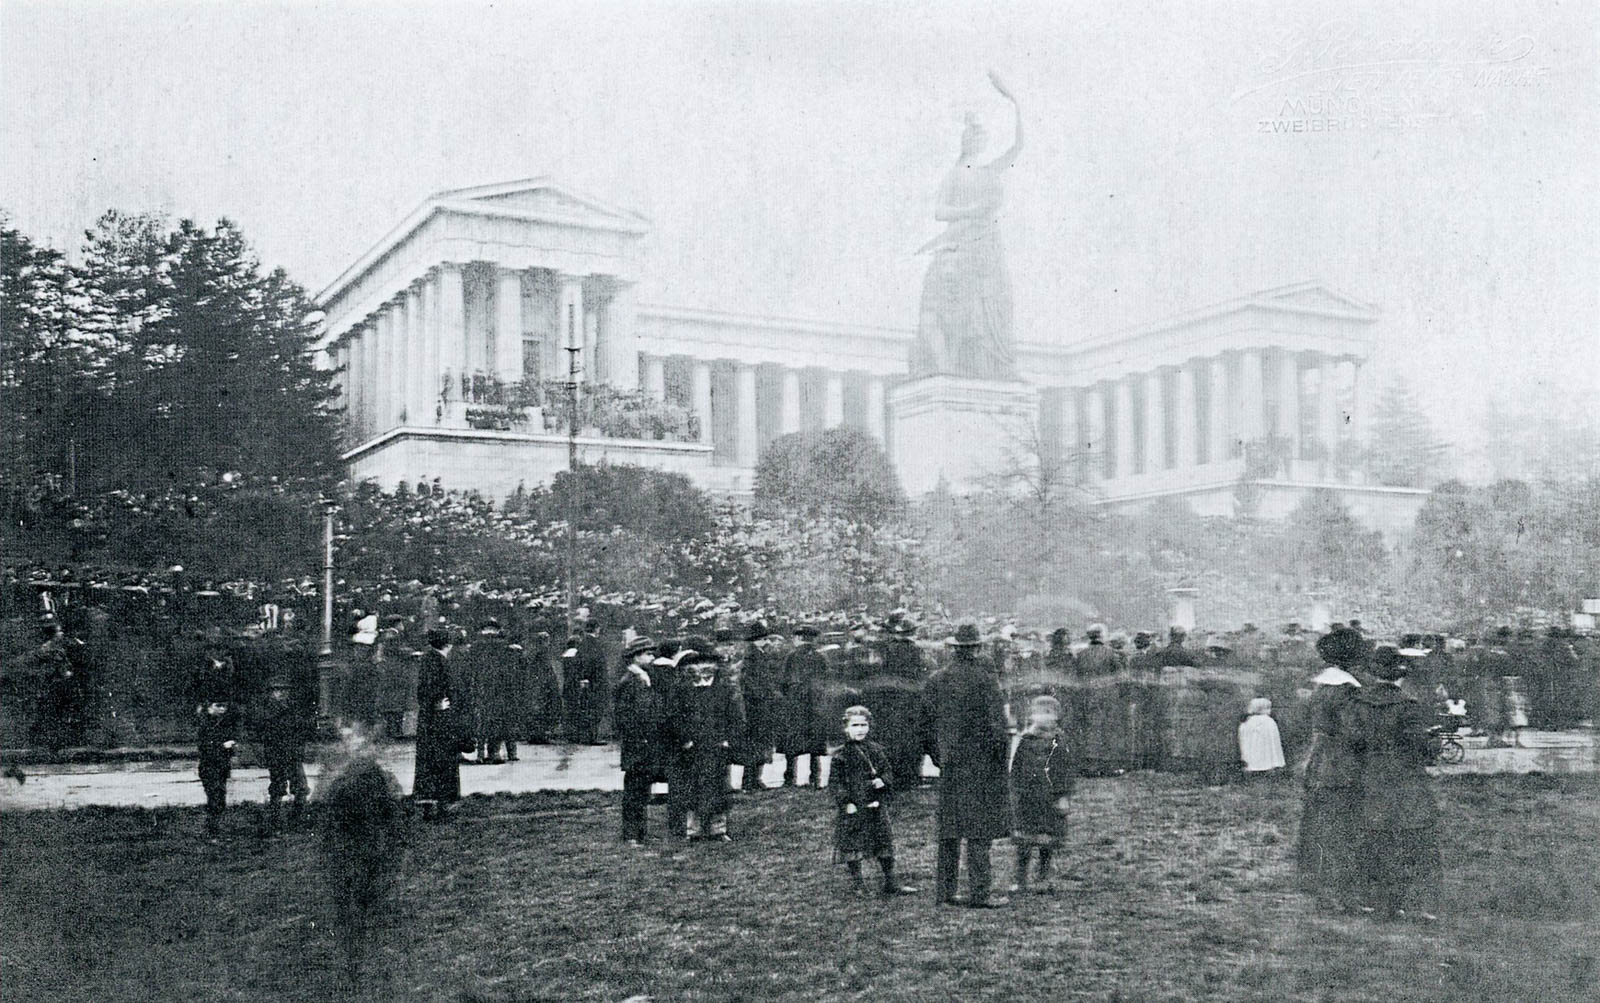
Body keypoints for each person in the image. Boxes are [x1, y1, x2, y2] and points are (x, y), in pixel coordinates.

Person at [909, 70, 1023, 380]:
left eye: (980, 137)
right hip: (962, 243)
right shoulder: (956, 174)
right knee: (964, 305)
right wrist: (972, 210)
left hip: (988, 245)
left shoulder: (988, 171)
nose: (977, 141)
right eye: (972, 137)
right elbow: (939, 211)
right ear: (965, 141)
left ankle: (993, 364)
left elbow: (1017, 148)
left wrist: (1016, 107)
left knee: (995, 302)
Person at [921, 623, 1013, 908]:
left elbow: (924, 723)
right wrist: (1001, 761)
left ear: (954, 649)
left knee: (950, 828)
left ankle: (945, 892)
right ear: (977, 648)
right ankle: (980, 894)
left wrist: (937, 755)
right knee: (978, 829)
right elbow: (998, 726)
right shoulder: (985, 680)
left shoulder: (937, 679)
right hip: (981, 763)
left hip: (950, 763)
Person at [1351, 644, 1443, 921]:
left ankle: (1374, 901)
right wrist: (1434, 741)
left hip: (1370, 779)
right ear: (1400, 673)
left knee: (1375, 839)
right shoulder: (1407, 706)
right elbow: (1422, 747)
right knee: (1413, 840)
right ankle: (1413, 904)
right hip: (1405, 780)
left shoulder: (1357, 703)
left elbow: (1353, 742)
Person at [1296, 626, 1367, 912]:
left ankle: (1319, 884)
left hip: (1319, 758)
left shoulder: (1320, 685)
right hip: (1342, 762)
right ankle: (1339, 890)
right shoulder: (1347, 690)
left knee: (1320, 821)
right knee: (1343, 824)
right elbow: (1354, 732)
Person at [832, 706, 916, 897]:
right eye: (855, 725)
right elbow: (836, 784)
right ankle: (858, 884)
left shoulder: (876, 750)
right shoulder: (841, 756)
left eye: (864, 725)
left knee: (883, 842)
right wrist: (846, 802)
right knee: (854, 845)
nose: (860, 729)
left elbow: (887, 771)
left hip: (876, 804)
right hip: (855, 806)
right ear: (846, 728)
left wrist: (883, 781)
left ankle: (890, 881)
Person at [663, 646, 743, 842]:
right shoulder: (682, 689)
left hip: (717, 745)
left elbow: (736, 717)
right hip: (693, 746)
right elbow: (673, 716)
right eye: (698, 664)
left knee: (718, 786)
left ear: (715, 666)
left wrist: (727, 740)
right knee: (692, 786)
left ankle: (718, 829)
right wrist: (685, 739)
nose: (703, 668)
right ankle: (693, 830)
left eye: (708, 663)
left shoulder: (725, 688)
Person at [1009, 695, 1075, 895]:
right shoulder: (1025, 739)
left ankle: (1043, 877)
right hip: (1027, 798)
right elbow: (1016, 768)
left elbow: (1066, 770)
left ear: (1056, 717)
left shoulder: (1060, 741)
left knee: (1047, 840)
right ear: (1032, 716)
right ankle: (1021, 879)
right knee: (1024, 842)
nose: (1044, 718)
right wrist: (1015, 791)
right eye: (1039, 713)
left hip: (1049, 798)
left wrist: (1063, 795)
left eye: (1049, 713)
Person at [613, 637, 663, 846]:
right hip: (637, 743)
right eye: (648, 654)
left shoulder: (643, 677)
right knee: (634, 789)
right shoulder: (630, 681)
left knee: (642, 789)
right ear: (636, 656)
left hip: (644, 742)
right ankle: (631, 833)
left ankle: (639, 832)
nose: (652, 658)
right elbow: (626, 716)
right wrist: (640, 736)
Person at [413, 627, 462, 822]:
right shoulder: (440, 662)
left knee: (427, 761)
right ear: (448, 644)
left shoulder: (427, 659)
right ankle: (444, 803)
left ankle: (428, 804)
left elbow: (422, 690)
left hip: (428, 719)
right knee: (443, 759)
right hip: (441, 718)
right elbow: (445, 688)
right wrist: (439, 702)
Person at [254, 676, 312, 833]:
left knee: (301, 788)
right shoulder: (266, 709)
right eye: (277, 690)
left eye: (284, 690)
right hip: (276, 755)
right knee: (278, 788)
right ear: (271, 693)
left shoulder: (293, 708)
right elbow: (262, 728)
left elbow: (302, 729)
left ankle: (297, 821)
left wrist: (300, 747)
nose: (281, 693)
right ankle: (275, 822)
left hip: (293, 754)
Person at [778, 624, 828, 788]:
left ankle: (789, 778)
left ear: (799, 638)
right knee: (815, 743)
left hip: (795, 704)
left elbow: (783, 681)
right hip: (814, 704)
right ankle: (815, 778)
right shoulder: (820, 657)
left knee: (792, 742)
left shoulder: (791, 657)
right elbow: (826, 680)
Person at [736, 621, 780, 792]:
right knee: (755, 743)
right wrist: (763, 697)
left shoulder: (758, 654)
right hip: (756, 707)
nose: (766, 641)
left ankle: (755, 779)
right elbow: (747, 682)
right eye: (763, 638)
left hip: (762, 705)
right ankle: (749, 781)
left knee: (761, 743)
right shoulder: (751, 657)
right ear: (757, 639)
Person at [196, 695, 240, 835]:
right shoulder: (205, 724)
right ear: (209, 707)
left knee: (220, 798)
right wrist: (223, 746)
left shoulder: (221, 722)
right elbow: (204, 747)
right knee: (214, 799)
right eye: (218, 706)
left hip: (221, 766)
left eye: (224, 706)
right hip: (209, 767)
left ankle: (215, 829)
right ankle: (212, 831)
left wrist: (232, 749)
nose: (222, 709)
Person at [1237, 697, 1286, 777]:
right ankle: (1267, 767)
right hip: (1265, 746)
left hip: (1252, 746)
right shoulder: (1268, 721)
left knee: (1253, 754)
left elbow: (1243, 734)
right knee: (1264, 754)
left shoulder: (1248, 721)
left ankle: (1252, 768)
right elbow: (1273, 738)